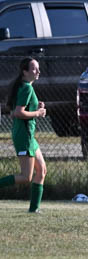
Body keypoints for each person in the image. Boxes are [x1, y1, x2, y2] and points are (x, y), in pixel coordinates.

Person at [0, 58, 47, 213]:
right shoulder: (26, 88)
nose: (38, 72)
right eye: (34, 69)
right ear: (24, 72)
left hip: (28, 136)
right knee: (26, 177)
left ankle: (34, 210)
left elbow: (15, 111)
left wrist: (36, 106)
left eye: (38, 68)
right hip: (24, 136)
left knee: (42, 170)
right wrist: (38, 113)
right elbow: (19, 113)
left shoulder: (24, 86)